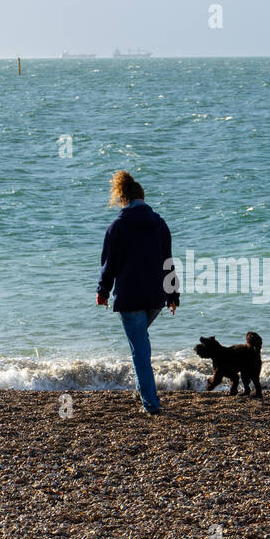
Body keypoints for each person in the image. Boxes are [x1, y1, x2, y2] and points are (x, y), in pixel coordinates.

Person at [96, 171, 178, 415]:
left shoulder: (118, 226)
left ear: (123, 200)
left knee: (139, 350)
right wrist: (173, 296)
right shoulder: (160, 224)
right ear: (143, 198)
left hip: (130, 298)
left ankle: (151, 404)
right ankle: (144, 389)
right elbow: (168, 262)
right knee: (141, 344)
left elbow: (109, 263)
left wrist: (102, 290)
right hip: (155, 298)